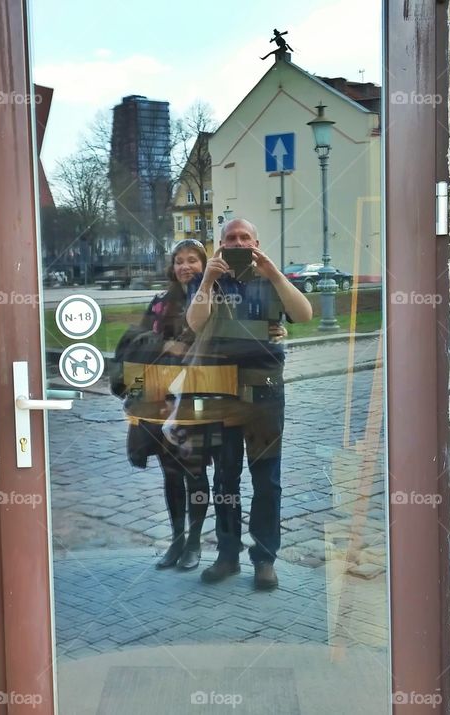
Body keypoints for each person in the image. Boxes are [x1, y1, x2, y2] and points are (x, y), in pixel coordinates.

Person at [186, 218, 312, 590]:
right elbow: (195, 323)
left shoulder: (271, 279)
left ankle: (264, 560)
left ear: (257, 242)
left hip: (264, 392)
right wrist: (207, 280)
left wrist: (274, 274)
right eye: (230, 238)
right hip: (220, 391)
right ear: (220, 244)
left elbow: (303, 314)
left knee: (267, 481)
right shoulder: (208, 280)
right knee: (225, 478)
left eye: (245, 238)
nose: (238, 243)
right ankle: (227, 557)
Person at [134, 239, 213, 570]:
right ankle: (176, 540)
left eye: (192, 260)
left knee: (193, 469)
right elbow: (139, 342)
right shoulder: (160, 302)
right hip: (163, 395)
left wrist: (273, 329)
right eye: (179, 260)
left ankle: (194, 543)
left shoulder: (216, 297)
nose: (185, 266)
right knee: (170, 471)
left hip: (199, 396)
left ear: (204, 264)